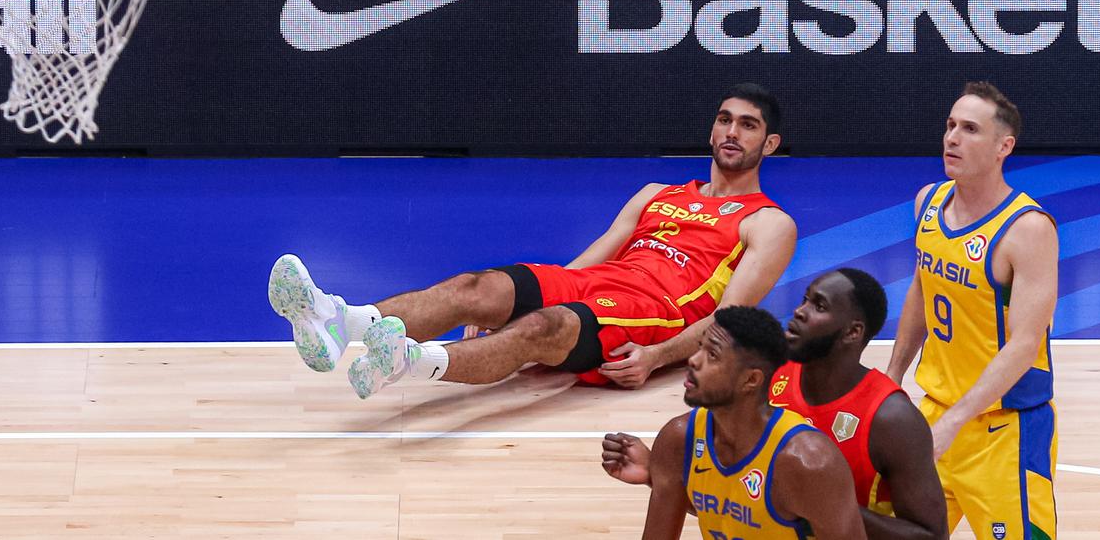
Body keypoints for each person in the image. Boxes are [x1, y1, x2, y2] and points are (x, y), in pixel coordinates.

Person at [268, 83, 797, 399]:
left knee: (542, 326)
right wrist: (521, 297)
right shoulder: (658, 192)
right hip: (598, 282)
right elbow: (594, 257)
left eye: (748, 126)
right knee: (478, 288)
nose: (732, 132)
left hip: (649, 311)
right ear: (710, 130)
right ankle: (341, 322)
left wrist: (658, 357)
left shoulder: (768, 223)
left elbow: (730, 317)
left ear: (768, 143)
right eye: (725, 120)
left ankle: (408, 361)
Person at [603, 269, 947, 540]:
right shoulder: (766, 375)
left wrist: (825, 505)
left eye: (819, 306)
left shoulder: (891, 418)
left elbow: (931, 536)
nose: (799, 311)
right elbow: (747, 499)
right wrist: (664, 475)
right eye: (805, 299)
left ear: (852, 333)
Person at [887, 82, 1059, 540]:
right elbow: (922, 290)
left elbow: (1024, 345)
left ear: (1005, 146)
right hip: (934, 412)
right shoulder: (929, 202)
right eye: (949, 126)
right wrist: (892, 377)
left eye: (969, 129)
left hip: (1004, 431)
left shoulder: (1028, 231)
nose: (952, 138)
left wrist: (956, 421)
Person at [632, 305, 866, 539]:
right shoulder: (679, 439)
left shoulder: (809, 463)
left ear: (750, 380)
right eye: (700, 347)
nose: (693, 360)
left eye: (712, 355)